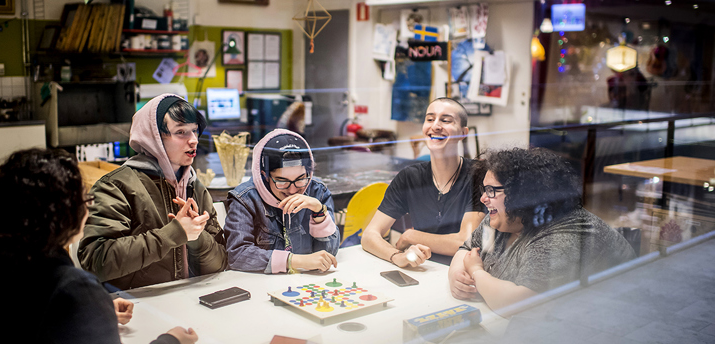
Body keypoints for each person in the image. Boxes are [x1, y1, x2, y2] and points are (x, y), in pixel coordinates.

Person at [0, 148, 198, 344]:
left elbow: (31, 320)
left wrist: (95, 309)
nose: (90, 203)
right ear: (60, 214)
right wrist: (171, 340)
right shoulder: (72, 288)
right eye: (83, 198)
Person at [448, 148, 636, 312]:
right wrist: (456, 276)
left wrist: (476, 272)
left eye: (491, 190)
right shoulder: (503, 219)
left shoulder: (563, 234)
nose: (483, 198)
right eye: (484, 189)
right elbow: (467, 249)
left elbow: (520, 304)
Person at [79, 94, 227, 290]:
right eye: (181, 132)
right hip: (136, 307)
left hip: (188, 301)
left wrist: (197, 237)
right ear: (154, 137)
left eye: (194, 131)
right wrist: (173, 234)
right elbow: (95, 261)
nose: (193, 140)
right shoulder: (116, 186)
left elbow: (221, 262)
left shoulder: (194, 186)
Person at [361, 98, 485, 267]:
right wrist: (397, 256)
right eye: (430, 119)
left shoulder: (479, 175)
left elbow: (465, 241)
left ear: (463, 133)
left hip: (463, 273)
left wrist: (411, 236)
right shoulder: (409, 178)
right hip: (423, 270)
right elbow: (370, 235)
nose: (436, 126)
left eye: (446, 120)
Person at [224, 129, 339, 273]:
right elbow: (237, 255)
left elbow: (329, 254)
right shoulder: (245, 199)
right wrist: (294, 261)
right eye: (282, 181)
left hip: (306, 283)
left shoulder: (317, 191)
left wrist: (319, 213)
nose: (292, 190)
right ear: (264, 175)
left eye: (300, 179)